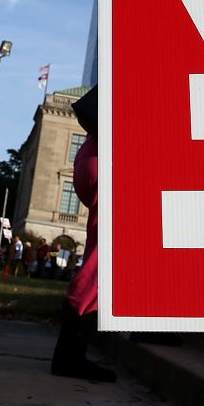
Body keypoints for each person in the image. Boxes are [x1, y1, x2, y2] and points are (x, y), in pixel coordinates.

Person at [51, 87, 115, 382]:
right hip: (106, 158)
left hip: (94, 155)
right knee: (101, 259)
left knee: (101, 254)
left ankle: (70, 354)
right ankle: (69, 355)